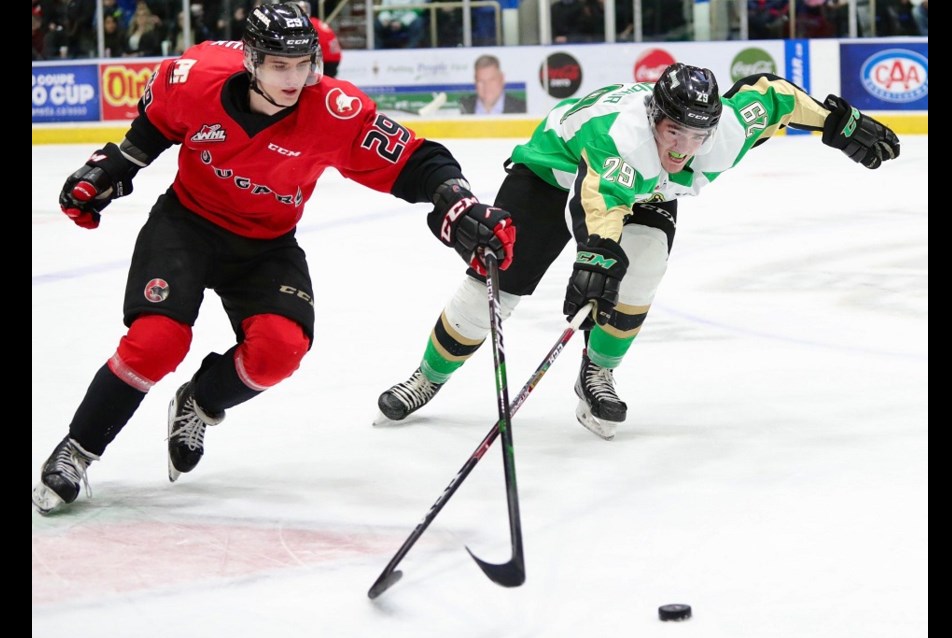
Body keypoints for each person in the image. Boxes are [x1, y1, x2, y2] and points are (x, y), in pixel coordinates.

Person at [32, 1, 515, 516]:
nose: (293, 79)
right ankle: (79, 449)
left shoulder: (332, 111)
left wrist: (457, 201)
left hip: (265, 245)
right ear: (251, 61)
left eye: (303, 64)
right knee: (156, 341)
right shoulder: (195, 78)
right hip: (187, 226)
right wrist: (108, 170)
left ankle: (200, 401)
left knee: (280, 350)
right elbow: (154, 128)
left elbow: (417, 160)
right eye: (279, 66)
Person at [377, 62, 900, 440]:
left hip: (640, 190)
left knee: (645, 264)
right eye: (674, 131)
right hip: (551, 171)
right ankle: (427, 377)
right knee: (495, 286)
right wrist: (597, 256)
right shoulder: (624, 137)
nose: (682, 148)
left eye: (697, 136)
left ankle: (597, 371)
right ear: (654, 116)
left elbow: (776, 95)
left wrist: (839, 122)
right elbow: (599, 200)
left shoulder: (725, 131)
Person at [459, 55, 526, 115]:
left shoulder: (524, 110)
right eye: (481, 81)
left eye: (491, 80)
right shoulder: (461, 109)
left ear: (502, 79)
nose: (487, 87)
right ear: (475, 81)